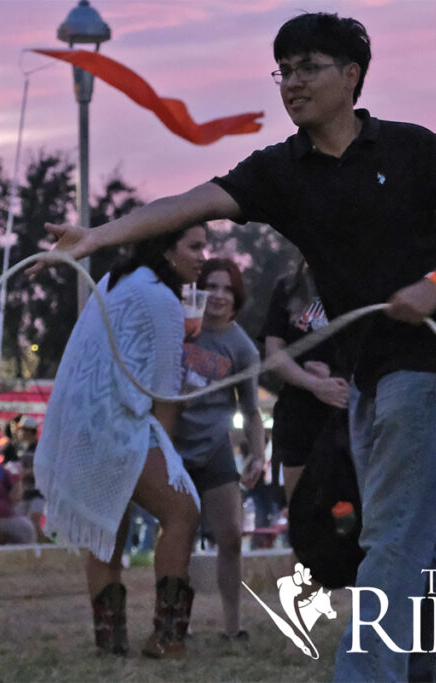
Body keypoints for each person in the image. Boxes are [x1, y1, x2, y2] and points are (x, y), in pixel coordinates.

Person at [33, 12, 436, 679]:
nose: (292, 82)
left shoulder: (412, 148)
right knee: (410, 533)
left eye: (309, 66)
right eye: (283, 69)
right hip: (365, 370)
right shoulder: (281, 171)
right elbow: (191, 200)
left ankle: (365, 671)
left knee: (391, 533)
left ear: (352, 75)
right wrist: (99, 235)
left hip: (428, 361)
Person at [35, 224, 206, 659]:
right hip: (116, 423)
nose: (203, 256)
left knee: (106, 527)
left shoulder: (117, 281)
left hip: (83, 423)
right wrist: (168, 460)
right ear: (167, 250)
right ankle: (167, 638)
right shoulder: (164, 301)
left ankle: (110, 643)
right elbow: (165, 395)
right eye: (195, 246)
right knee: (182, 511)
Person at [172, 257, 265, 640]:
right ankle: (175, 622)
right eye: (212, 286)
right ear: (198, 289)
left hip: (214, 448)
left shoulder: (241, 348)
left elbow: (251, 411)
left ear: (237, 296)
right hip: (172, 446)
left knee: (230, 535)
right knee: (178, 538)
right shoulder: (178, 328)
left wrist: (259, 455)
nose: (219, 295)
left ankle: (232, 625)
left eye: (228, 289)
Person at [260, 260, 349, 505]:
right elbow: (274, 353)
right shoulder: (290, 287)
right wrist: (313, 383)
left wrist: (336, 377)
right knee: (303, 511)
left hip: (346, 413)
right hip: (298, 416)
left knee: (348, 509)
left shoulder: (360, 284)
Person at [14, 415, 50, 542]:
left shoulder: (42, 448)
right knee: (20, 524)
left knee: (33, 522)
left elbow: (44, 471)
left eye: (22, 430)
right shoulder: (25, 449)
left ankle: (46, 548)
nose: (20, 433)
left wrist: (27, 473)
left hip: (39, 493)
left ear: (29, 431)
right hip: (26, 492)